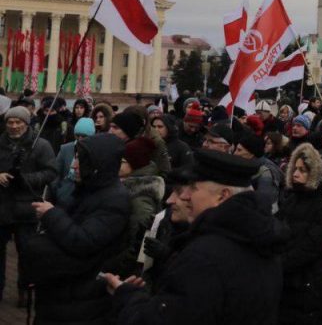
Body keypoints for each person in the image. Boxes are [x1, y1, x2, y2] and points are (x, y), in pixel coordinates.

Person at [106, 149, 289, 324]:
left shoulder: (205, 257)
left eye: (193, 189)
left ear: (222, 196)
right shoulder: (261, 242)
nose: (184, 197)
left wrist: (128, 297)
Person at [23, 133, 130, 325]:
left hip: (81, 302)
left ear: (98, 163)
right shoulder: (90, 188)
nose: (73, 165)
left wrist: (51, 214)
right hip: (65, 294)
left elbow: (83, 241)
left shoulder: (114, 200)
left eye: (81, 159)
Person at [0, 104, 57, 304]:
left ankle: (24, 289)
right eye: (10, 122)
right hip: (2, 207)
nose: (14, 126)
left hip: (27, 209)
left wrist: (26, 179)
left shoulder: (40, 145)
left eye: (18, 122)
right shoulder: (1, 142)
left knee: (26, 254)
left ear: (26, 123)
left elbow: (50, 172)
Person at [277, 142, 322, 324]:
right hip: (284, 280)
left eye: (302, 170)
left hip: (307, 282)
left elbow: (313, 247)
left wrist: (280, 263)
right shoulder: (291, 198)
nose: (295, 174)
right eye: (295, 169)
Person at [115, 137, 166, 276]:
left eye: (123, 161)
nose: (118, 164)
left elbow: (137, 241)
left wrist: (118, 268)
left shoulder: (141, 199)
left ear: (135, 164)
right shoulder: (127, 187)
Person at [53, 116, 95, 208]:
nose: (80, 139)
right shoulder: (65, 149)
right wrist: (58, 191)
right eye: (77, 135)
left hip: (85, 201)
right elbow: (56, 173)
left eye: (84, 136)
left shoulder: (95, 152)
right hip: (64, 199)